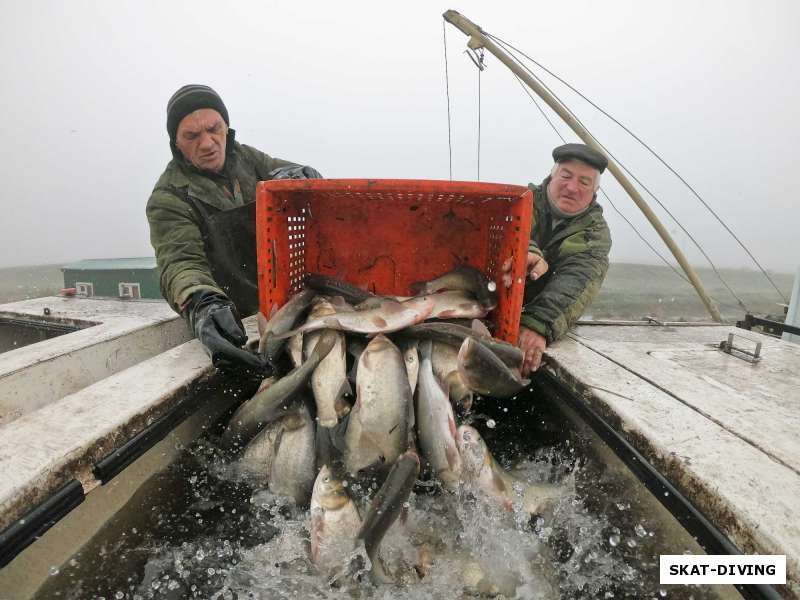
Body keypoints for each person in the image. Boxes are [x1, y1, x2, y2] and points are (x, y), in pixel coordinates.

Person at [146, 84, 322, 372]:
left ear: (226, 127)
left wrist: (304, 175)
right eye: (191, 136)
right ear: (176, 143)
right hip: (238, 321)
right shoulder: (169, 198)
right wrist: (202, 303)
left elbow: (296, 174)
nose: (207, 143)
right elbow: (180, 262)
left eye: (214, 129)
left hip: (288, 305)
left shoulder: (249, 160)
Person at [503, 143, 612, 376]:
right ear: (552, 176)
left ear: (595, 192)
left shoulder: (595, 233)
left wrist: (538, 324)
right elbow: (511, 226)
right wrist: (528, 251)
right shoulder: (520, 201)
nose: (572, 187)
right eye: (566, 175)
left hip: (533, 310)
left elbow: (579, 275)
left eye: (584, 182)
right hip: (494, 298)